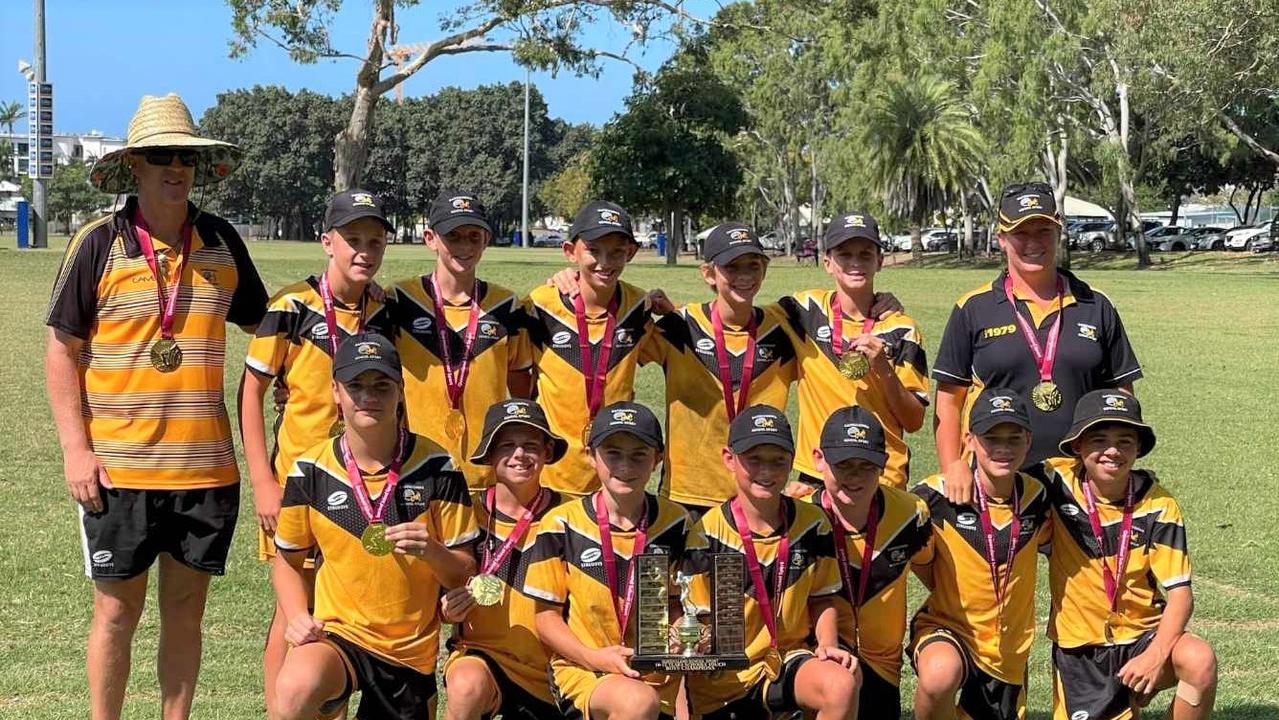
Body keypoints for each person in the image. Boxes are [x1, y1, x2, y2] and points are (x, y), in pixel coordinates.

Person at [45, 93, 267, 720]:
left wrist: (346, 294)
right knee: (116, 613)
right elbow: (62, 349)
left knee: (185, 612)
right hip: (118, 471)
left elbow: (269, 324)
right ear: (134, 167)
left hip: (205, 470)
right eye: (160, 156)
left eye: (186, 157)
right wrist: (76, 451)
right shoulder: (97, 244)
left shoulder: (221, 240)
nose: (176, 167)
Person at [239, 188, 396, 711]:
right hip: (299, 488)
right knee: (294, 615)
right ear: (326, 241)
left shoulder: (386, 308)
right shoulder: (290, 307)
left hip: (364, 486)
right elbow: (251, 391)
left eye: (375, 242)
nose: (364, 252)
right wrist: (263, 480)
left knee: (344, 609)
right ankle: (281, 708)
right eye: (352, 240)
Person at [270, 333, 478, 720]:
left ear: (400, 391)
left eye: (382, 386)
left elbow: (465, 571)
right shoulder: (310, 471)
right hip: (339, 635)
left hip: (409, 651)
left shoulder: (438, 467)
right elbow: (287, 561)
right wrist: (298, 615)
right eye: (356, 386)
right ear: (335, 391)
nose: (369, 397)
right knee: (295, 686)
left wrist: (431, 550)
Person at [932, 182, 1142, 504]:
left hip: (1080, 481)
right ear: (1001, 238)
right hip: (996, 478)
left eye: (1043, 230)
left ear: (1059, 232)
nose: (1033, 243)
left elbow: (1120, 395)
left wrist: (1117, 464)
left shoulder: (1096, 305)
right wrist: (953, 466)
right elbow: (948, 401)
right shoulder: (973, 308)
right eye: (1021, 233)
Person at [1039, 390, 1216, 719]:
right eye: (1099, 439)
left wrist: (1155, 655)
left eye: (1124, 441)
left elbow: (1180, 595)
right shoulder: (1055, 481)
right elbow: (1002, 474)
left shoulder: (1158, 505)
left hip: (1144, 638)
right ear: (1077, 446)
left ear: (1138, 448)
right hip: (1082, 648)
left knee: (1198, 659)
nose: (1112, 451)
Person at [683, 405, 861, 720]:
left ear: (792, 462)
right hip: (723, 684)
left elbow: (822, 597)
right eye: (754, 460)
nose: (767, 471)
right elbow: (690, 628)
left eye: (778, 461)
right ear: (729, 459)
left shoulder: (812, 524)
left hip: (786, 664)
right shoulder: (705, 535)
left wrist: (828, 644)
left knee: (840, 684)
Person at [522, 402, 689, 720]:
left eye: (639, 454)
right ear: (590, 455)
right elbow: (545, 619)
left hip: (657, 677)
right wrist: (594, 657)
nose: (625, 465)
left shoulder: (677, 524)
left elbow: (682, 603)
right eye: (612, 453)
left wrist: (681, 634)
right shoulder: (562, 524)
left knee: (641, 701)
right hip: (585, 671)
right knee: (635, 703)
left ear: (658, 458)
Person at [909, 388, 1051, 720]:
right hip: (947, 628)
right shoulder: (934, 497)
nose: (1003, 448)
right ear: (970, 439)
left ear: (1028, 441)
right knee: (940, 673)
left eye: (1014, 438)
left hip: (1007, 650)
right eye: (991, 437)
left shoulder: (1040, 497)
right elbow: (884, 516)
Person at [640, 223, 797, 516]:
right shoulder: (681, 326)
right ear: (709, 274)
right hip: (687, 492)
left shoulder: (785, 332)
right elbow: (614, 355)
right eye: (732, 267)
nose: (745, 276)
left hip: (756, 490)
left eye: (754, 265)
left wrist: (882, 302)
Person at [392, 190, 533, 488]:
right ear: (430, 238)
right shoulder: (398, 300)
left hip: (486, 476)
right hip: (414, 471)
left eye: (473, 236)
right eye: (453, 236)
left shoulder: (507, 306)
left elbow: (521, 390)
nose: (464, 246)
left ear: (486, 240)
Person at [779, 212, 929, 491]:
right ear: (827, 262)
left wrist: (883, 367)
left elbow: (914, 420)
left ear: (880, 261)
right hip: (818, 473)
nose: (855, 263)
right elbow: (740, 320)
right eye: (845, 255)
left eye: (865, 254)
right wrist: (674, 312)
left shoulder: (902, 329)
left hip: (882, 473)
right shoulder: (804, 311)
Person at [439, 399, 568, 720]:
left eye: (530, 445)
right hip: (484, 655)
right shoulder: (464, 512)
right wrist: (443, 608)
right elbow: (435, 588)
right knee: (466, 685)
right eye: (507, 445)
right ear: (489, 454)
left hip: (556, 665)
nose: (519, 455)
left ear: (547, 452)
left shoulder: (571, 517)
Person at [807, 406, 934, 719]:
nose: (854, 475)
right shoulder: (800, 519)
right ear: (819, 459)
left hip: (882, 668)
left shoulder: (911, 515)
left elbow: (934, 576)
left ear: (884, 465)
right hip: (818, 660)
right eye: (844, 464)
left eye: (866, 465)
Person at [525, 202, 656, 498]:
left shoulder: (639, 307)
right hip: (553, 474)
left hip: (615, 474)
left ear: (631, 253)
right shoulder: (539, 305)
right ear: (571, 251)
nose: (605, 262)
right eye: (593, 250)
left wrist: (667, 306)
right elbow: (517, 376)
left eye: (617, 252)